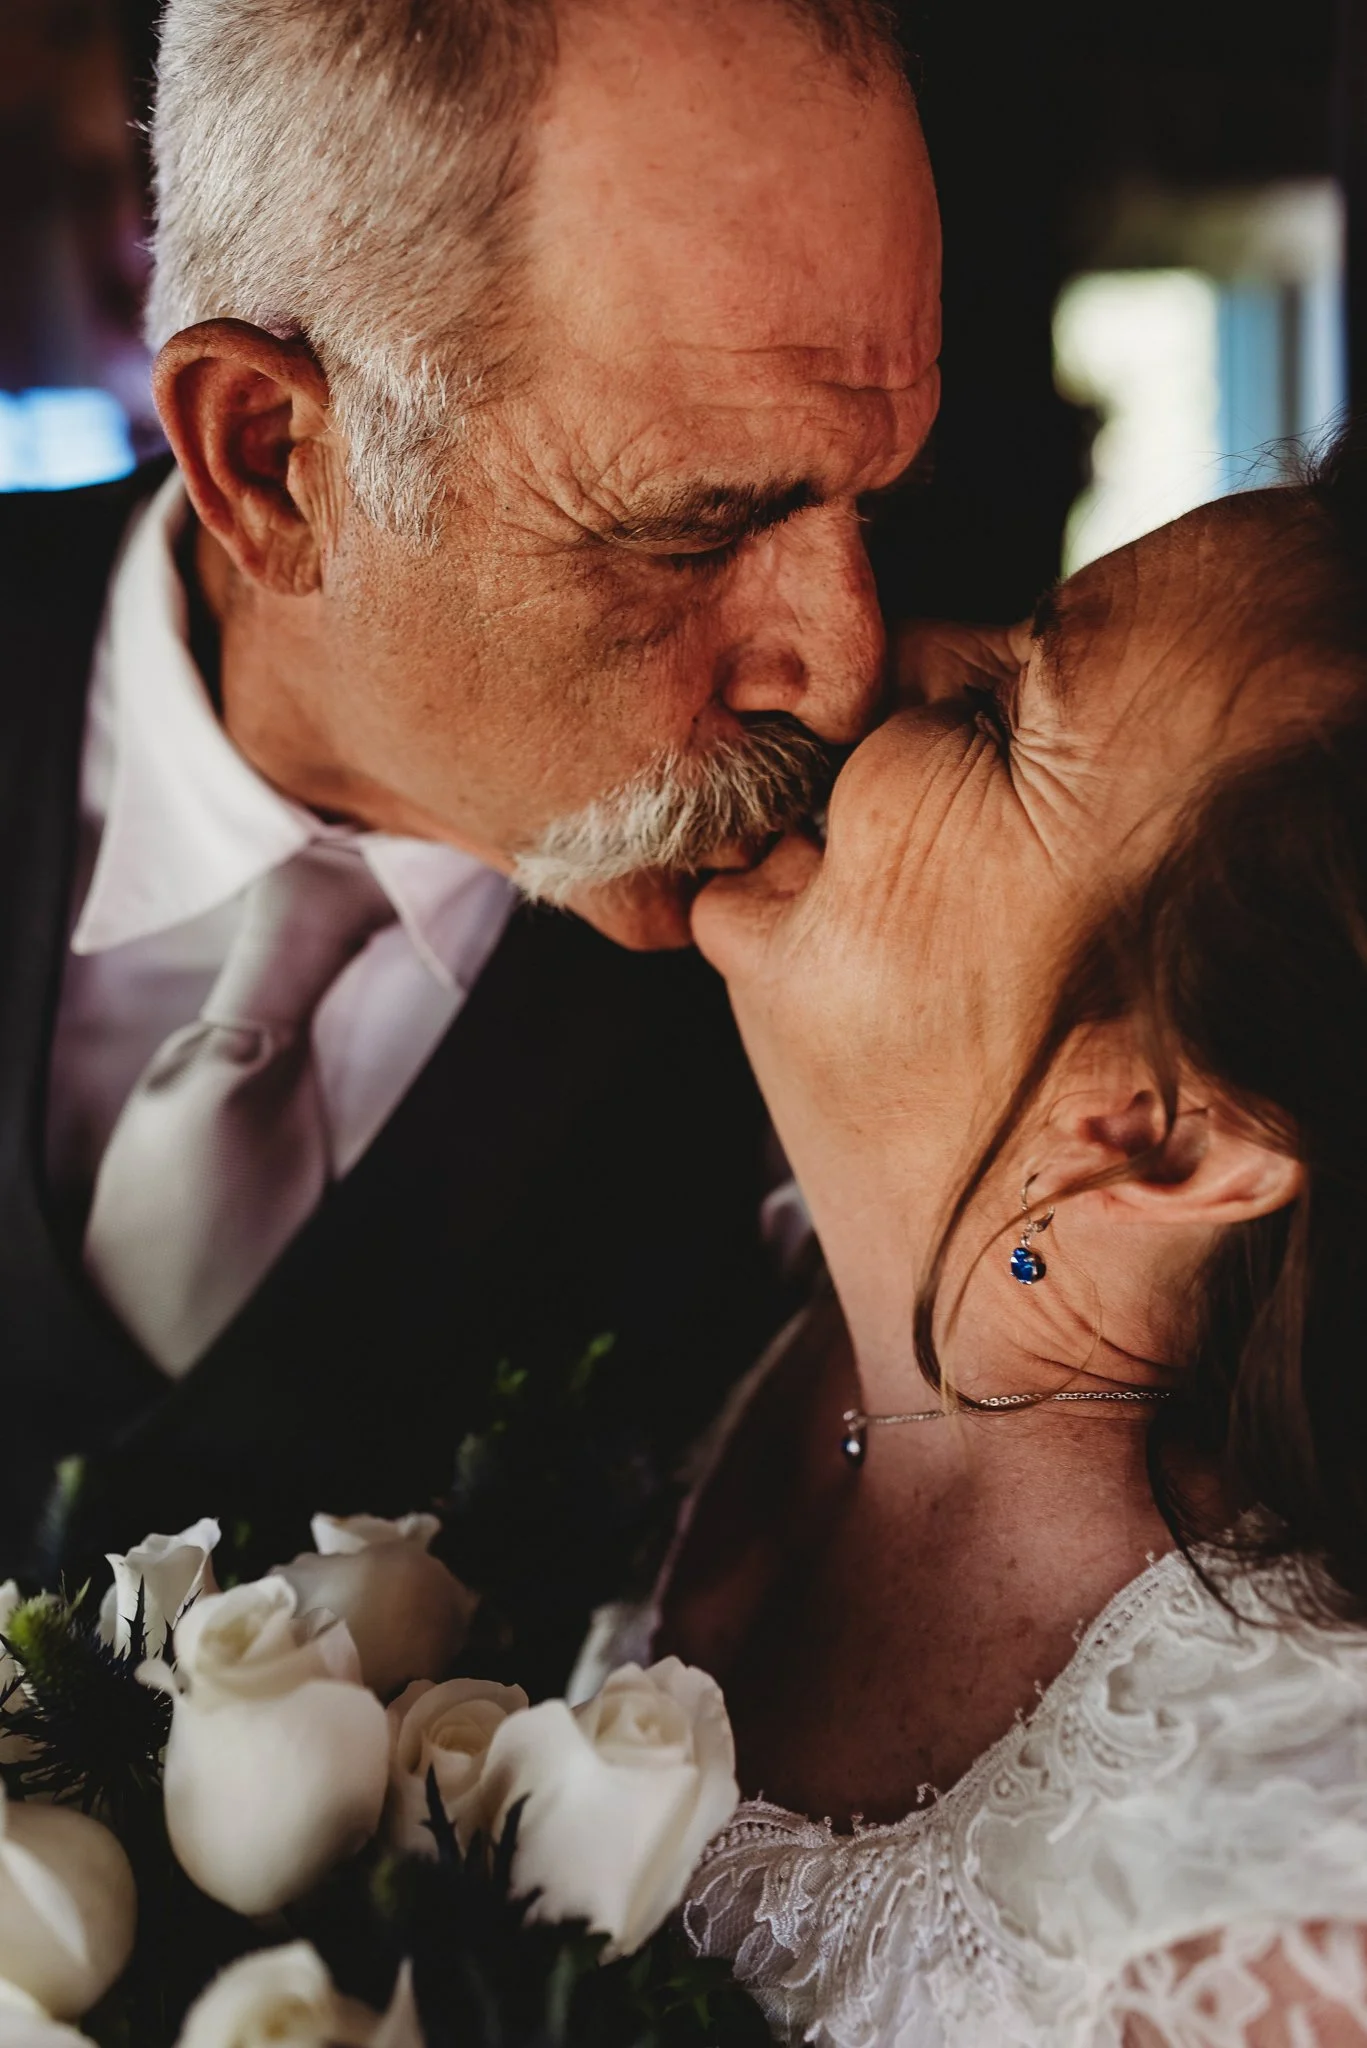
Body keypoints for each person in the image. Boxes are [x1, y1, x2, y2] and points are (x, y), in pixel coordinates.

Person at [0, 0, 940, 1596]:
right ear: (268, 457)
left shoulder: (885, 938)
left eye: (868, 500)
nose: (842, 670)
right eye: (690, 534)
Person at [572, 437, 1367, 2044]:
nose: (893, 660)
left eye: (1004, 718)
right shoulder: (718, 1284)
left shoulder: (1267, 1910)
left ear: (1164, 1132)